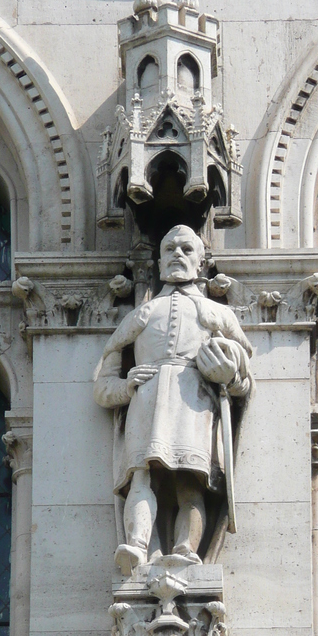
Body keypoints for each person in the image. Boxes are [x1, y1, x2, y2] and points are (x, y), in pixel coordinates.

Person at [94, 225, 253, 576]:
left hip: (194, 399)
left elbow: (243, 370)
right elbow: (103, 380)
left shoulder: (218, 315)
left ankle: (185, 549)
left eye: (186, 249)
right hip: (147, 397)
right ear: (160, 261)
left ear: (200, 262)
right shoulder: (143, 314)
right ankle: (137, 545)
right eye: (169, 249)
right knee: (141, 476)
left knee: (190, 481)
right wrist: (125, 386)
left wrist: (229, 373)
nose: (177, 255)